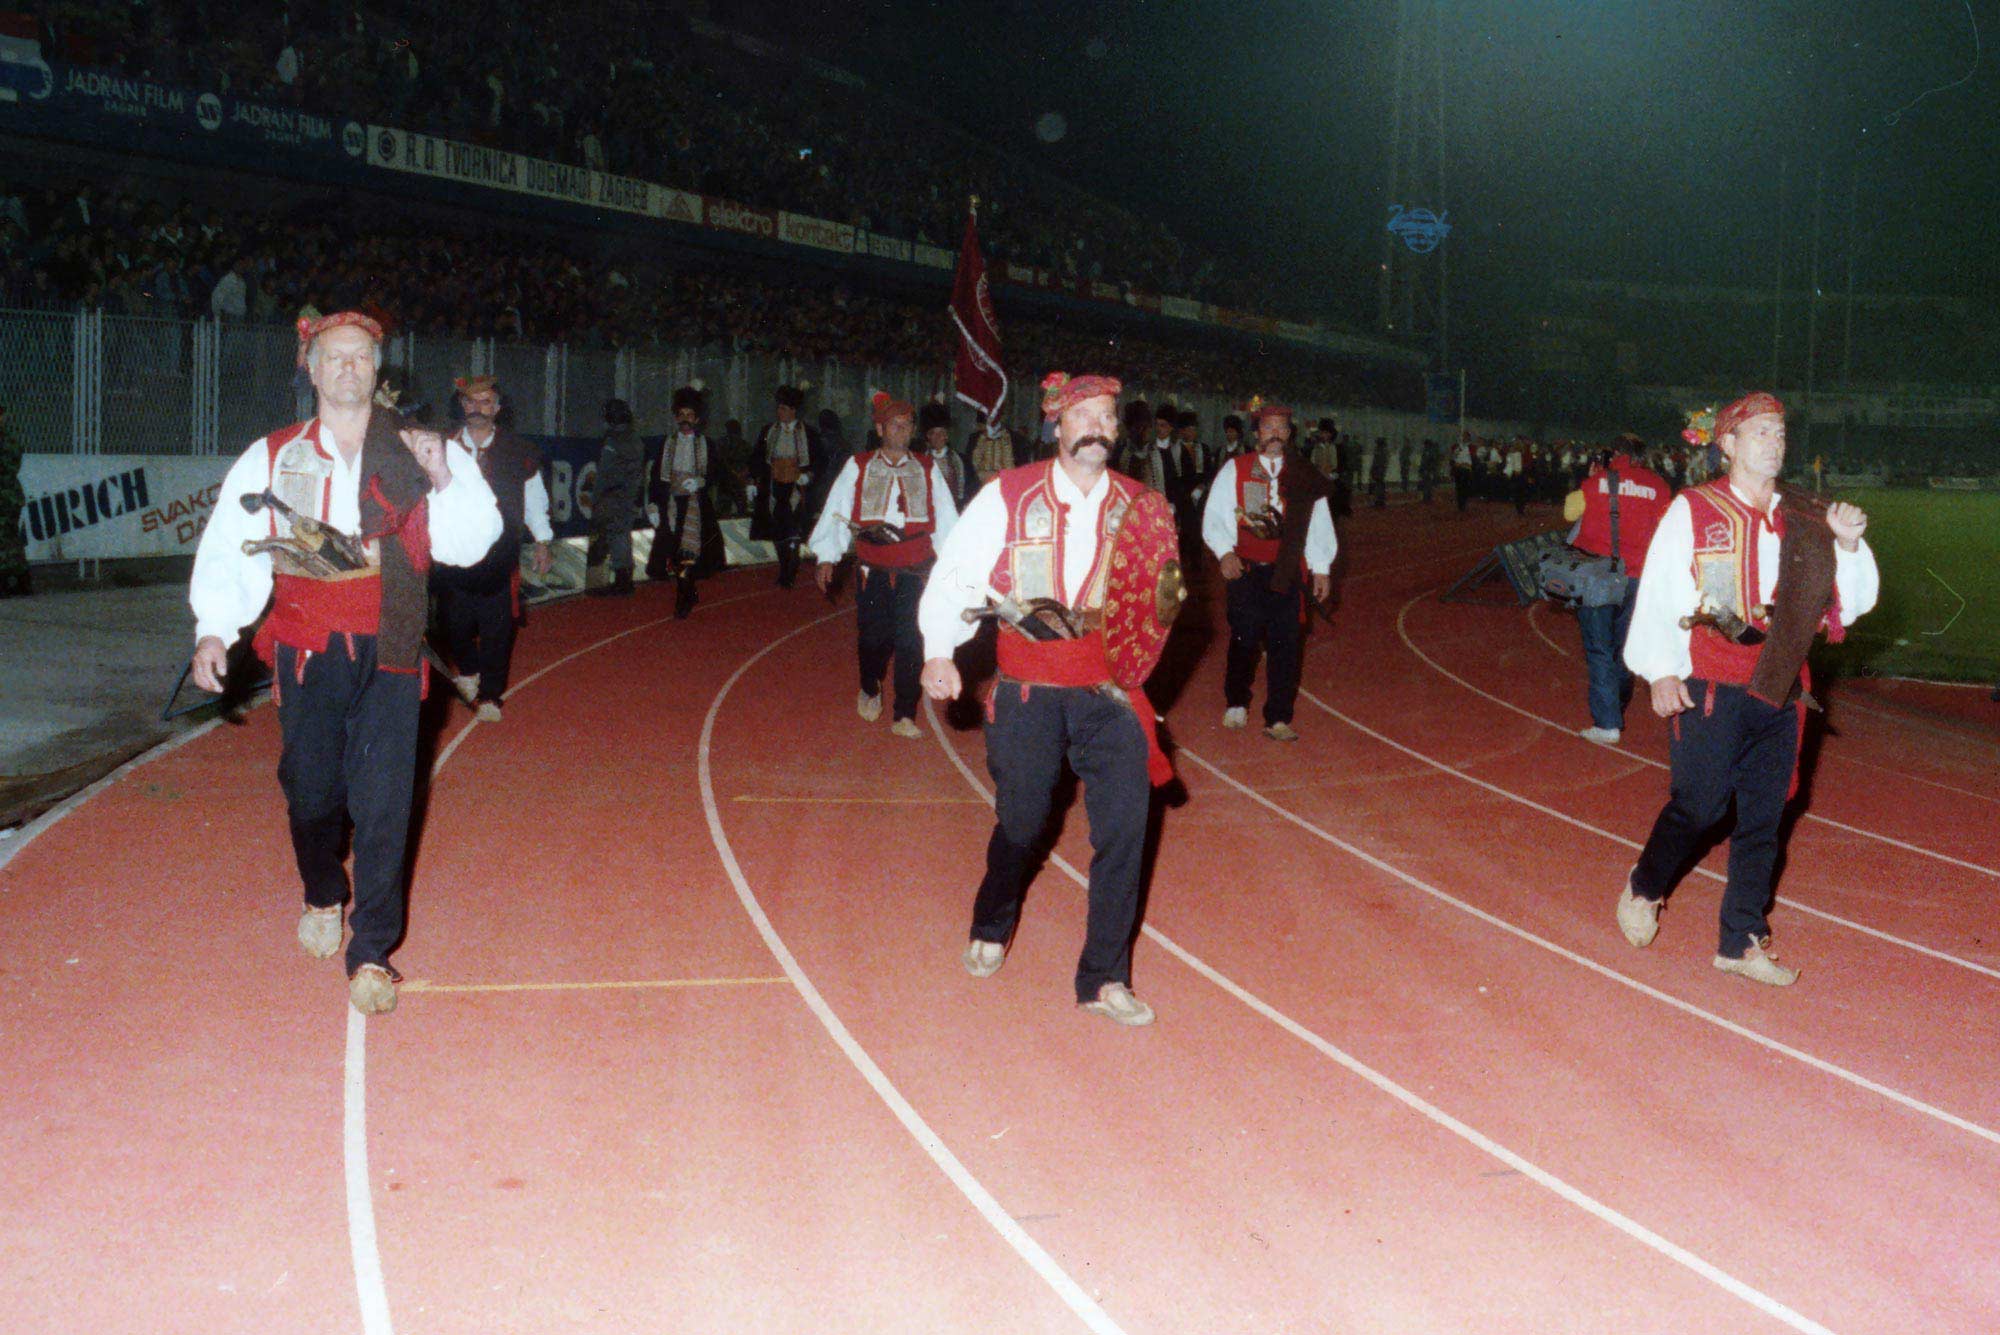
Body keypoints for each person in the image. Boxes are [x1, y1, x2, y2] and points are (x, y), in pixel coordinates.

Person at [188, 312, 502, 1015]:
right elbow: (231, 542)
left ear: (378, 367)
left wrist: (444, 475)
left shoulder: (421, 446)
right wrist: (215, 629)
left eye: (361, 356)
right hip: (307, 647)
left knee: (387, 800)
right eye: (334, 357)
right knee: (311, 790)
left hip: (392, 646)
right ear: (311, 367)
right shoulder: (273, 454)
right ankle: (323, 890)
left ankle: (373, 952)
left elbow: (471, 543)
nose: (348, 368)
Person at [919, 370, 1172, 1027]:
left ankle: (1105, 977)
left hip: (1109, 689)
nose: (1097, 427)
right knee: (1024, 821)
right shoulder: (1007, 493)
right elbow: (954, 575)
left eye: (1108, 417)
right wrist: (940, 650)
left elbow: (1158, 602)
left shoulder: (1141, 505)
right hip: (1029, 685)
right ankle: (993, 913)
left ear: (1118, 430)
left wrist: (1141, 664)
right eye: (1083, 415)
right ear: (1058, 423)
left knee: (1125, 828)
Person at [1617, 393, 1878, 986]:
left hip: (1783, 686)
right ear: (1728, 444)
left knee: (1765, 816)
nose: (1774, 442)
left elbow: (1853, 604)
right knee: (1702, 805)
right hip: (1710, 679)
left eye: (1780, 432)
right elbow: (1659, 590)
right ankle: (1645, 884)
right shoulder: (1693, 508)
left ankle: (1740, 940)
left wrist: (1848, 544)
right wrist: (1659, 669)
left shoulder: (1808, 517)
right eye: (1759, 432)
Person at [810, 392, 960, 737]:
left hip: (916, 570)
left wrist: (953, 566)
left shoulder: (927, 468)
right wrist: (827, 556)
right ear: (880, 428)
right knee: (873, 639)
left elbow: (948, 520)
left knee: (911, 641)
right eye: (896, 424)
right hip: (872, 569)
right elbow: (837, 510)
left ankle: (904, 713)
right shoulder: (858, 465)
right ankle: (869, 685)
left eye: (908, 425)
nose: (903, 430)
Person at [1203, 400, 1338, 741]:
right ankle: (1236, 701)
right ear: (1256, 433)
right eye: (1268, 428)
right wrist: (1224, 554)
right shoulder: (1236, 469)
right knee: (1244, 638)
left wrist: (1321, 568)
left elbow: (1320, 525)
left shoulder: (1305, 474)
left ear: (1290, 434)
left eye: (1281, 429)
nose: (1275, 435)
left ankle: (1277, 717)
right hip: (1246, 572)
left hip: (1289, 573)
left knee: (1286, 644)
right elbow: (1214, 518)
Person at [435, 374, 551, 722]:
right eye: (470, 402)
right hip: (454, 550)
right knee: (452, 623)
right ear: (461, 406)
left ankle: (490, 696)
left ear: (498, 409)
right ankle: (469, 669)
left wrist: (542, 540)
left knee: (497, 627)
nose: (477, 409)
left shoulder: (519, 450)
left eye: (485, 402)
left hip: (501, 552)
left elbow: (534, 498)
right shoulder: (444, 447)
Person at [1568, 439, 1672, 745]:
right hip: (1639, 579)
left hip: (1599, 577)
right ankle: (1617, 702)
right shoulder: (1659, 486)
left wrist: (1591, 477)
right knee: (1624, 647)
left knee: (1598, 648)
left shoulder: (1597, 482)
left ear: (1615, 455)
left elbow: (1568, 511)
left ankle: (1607, 723)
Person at [649, 384, 717, 617]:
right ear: (676, 417)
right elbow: (656, 476)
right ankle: (687, 591)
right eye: (681, 415)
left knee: (687, 555)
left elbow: (717, 474)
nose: (685, 419)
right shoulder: (667, 443)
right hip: (671, 505)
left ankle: (683, 598)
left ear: (697, 419)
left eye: (690, 415)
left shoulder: (706, 444)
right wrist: (652, 504)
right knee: (675, 555)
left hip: (695, 506)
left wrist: (701, 482)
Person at [754, 384, 815, 587]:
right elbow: (757, 458)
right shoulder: (768, 431)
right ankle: (784, 566)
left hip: (797, 488)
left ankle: (791, 566)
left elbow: (820, 460)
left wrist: (808, 475)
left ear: (793, 411)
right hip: (775, 486)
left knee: (793, 529)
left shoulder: (808, 433)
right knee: (778, 530)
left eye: (783, 409)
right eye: (778, 408)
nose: (779, 412)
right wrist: (753, 481)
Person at [587, 397, 643, 597]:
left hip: (614, 493)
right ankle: (624, 577)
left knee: (616, 534)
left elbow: (605, 472)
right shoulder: (634, 438)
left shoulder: (613, 441)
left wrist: (597, 498)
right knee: (622, 533)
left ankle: (622, 580)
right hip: (629, 491)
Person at [0, 402, 27, 597]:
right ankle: (21, 581)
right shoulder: (10, 439)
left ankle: (6, 583)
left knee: (5, 539)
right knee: (11, 539)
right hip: (11, 495)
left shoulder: (6, 440)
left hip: (4, 495)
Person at [918, 400, 967, 506]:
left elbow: (963, 491)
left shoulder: (958, 459)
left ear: (947, 436)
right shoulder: (920, 460)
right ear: (928, 436)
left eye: (941, 433)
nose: (938, 437)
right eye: (933, 433)